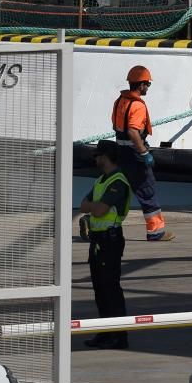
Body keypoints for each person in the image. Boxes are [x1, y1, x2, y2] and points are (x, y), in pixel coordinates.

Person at [80, 139, 133, 349]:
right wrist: (94, 207)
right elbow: (85, 205)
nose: (95, 159)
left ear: (105, 157)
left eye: (97, 156)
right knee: (100, 289)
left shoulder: (118, 181)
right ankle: (106, 331)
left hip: (110, 241)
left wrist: (93, 207)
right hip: (98, 241)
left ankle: (118, 335)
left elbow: (99, 210)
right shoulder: (102, 180)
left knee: (110, 289)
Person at [112, 65, 174, 241]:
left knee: (119, 191)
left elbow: (116, 126)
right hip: (134, 156)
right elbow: (133, 131)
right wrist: (144, 153)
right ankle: (156, 232)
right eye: (147, 84)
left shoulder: (120, 101)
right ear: (140, 85)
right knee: (147, 191)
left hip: (120, 154)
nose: (148, 87)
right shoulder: (137, 105)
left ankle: (95, 221)